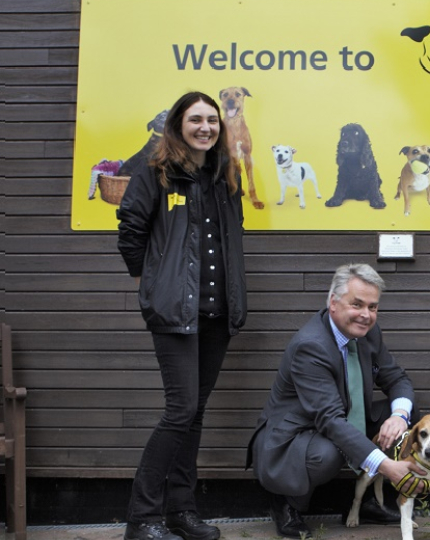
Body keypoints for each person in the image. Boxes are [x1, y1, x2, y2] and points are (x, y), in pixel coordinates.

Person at [117, 91, 247, 540]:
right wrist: (150, 284)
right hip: (174, 313)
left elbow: (231, 240)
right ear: (177, 125)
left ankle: (181, 512)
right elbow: (130, 232)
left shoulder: (225, 175)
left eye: (212, 120)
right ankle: (142, 518)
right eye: (196, 119)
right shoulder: (156, 173)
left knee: (193, 415)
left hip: (216, 314)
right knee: (180, 410)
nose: (206, 127)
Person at [246, 263, 426, 538]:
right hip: (293, 437)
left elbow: (396, 378)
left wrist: (399, 416)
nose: (366, 315)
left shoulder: (368, 333)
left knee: (412, 417)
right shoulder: (310, 346)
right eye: (357, 304)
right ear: (333, 302)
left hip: (337, 420)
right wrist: (389, 468)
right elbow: (330, 420)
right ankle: (284, 501)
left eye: (373, 307)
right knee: (327, 454)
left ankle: (360, 501)